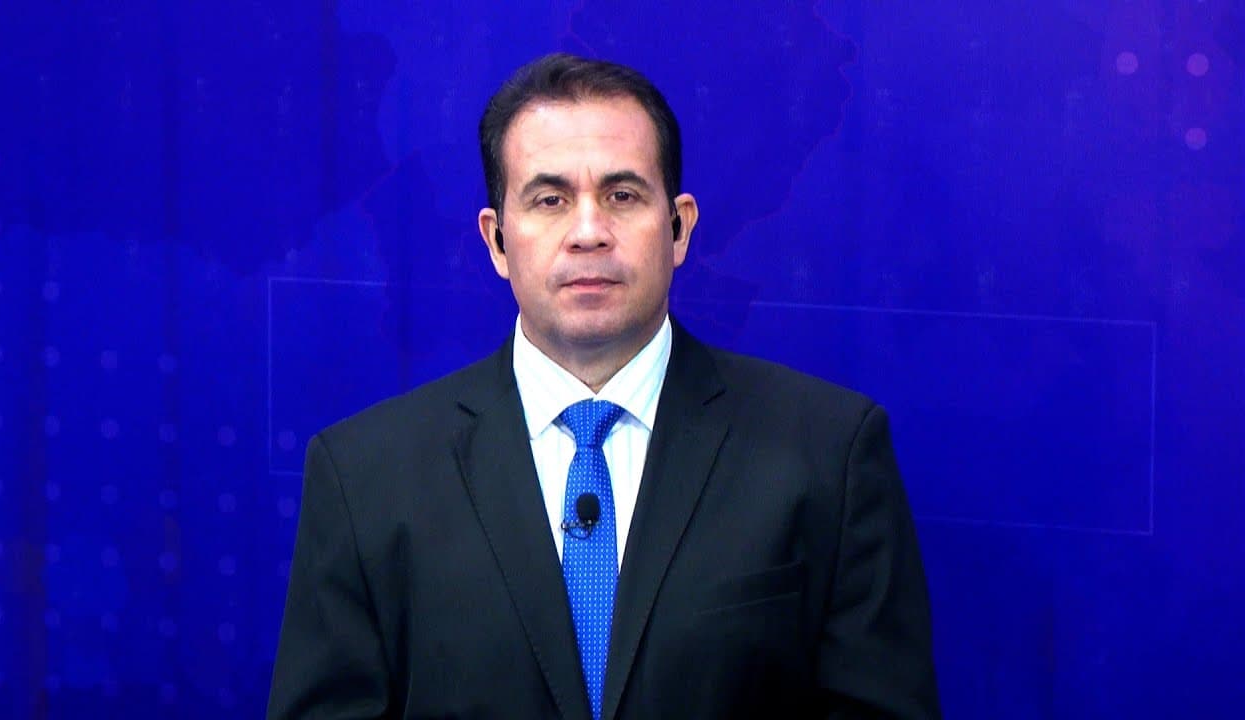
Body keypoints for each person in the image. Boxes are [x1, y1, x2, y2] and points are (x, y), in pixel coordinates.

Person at [268, 53, 941, 719]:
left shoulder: (829, 453)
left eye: (622, 196)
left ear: (679, 228)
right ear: (497, 241)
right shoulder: (365, 477)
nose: (588, 232)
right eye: (550, 199)